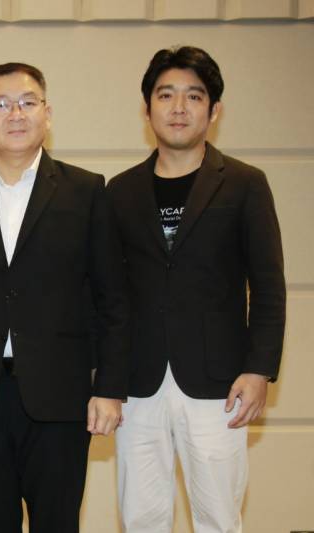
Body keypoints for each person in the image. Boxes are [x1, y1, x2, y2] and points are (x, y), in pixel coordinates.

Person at [0, 63, 129, 533]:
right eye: (1, 104)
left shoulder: (87, 191)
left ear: (47, 114)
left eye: (28, 102)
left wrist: (109, 388)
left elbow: (112, 300)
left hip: (61, 400)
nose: (16, 114)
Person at [107, 46, 286, 532]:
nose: (179, 107)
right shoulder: (119, 192)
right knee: (141, 517)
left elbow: (268, 286)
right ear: (147, 109)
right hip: (138, 382)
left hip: (218, 381)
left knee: (218, 517)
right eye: (166, 95)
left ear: (214, 110)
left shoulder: (245, 184)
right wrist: (105, 379)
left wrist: (259, 369)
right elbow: (108, 293)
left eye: (194, 96)